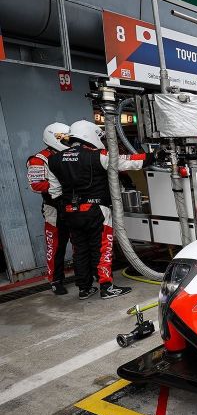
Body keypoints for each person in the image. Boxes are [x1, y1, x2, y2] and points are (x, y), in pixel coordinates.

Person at [48, 120, 152, 300]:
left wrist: (68, 209)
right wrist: (152, 157)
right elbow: (126, 163)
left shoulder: (54, 159)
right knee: (103, 248)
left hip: (69, 212)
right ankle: (106, 286)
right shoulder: (98, 155)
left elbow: (54, 192)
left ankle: (84, 288)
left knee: (79, 250)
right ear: (89, 134)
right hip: (96, 210)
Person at [27, 122, 71, 295]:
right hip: (53, 208)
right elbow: (35, 185)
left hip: (73, 205)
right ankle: (56, 280)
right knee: (56, 245)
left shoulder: (70, 154)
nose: (67, 141)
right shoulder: (39, 159)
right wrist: (63, 184)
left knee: (80, 242)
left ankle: (88, 274)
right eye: (63, 138)